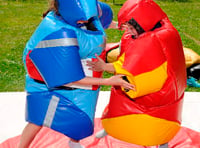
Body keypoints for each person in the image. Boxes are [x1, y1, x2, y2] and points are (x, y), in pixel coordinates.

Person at [18, 0, 134, 148]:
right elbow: (69, 79)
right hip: (46, 82)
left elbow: (101, 20)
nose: (86, 20)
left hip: (79, 74)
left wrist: (120, 26)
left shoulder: (89, 11)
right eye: (82, 19)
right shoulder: (57, 33)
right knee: (38, 118)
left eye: (89, 18)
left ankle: (74, 142)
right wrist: (110, 81)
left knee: (81, 119)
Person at [87, 0, 187, 147]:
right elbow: (127, 62)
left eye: (131, 27)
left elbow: (138, 70)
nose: (128, 32)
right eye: (127, 27)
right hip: (156, 89)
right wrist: (107, 66)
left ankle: (162, 140)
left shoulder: (154, 40)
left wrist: (108, 69)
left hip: (161, 93)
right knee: (119, 98)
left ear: (144, 23)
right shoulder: (145, 34)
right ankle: (110, 129)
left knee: (153, 115)